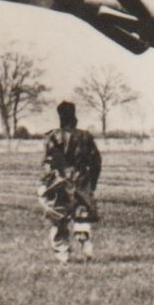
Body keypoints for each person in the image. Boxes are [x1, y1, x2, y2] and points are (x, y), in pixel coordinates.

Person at [39, 100, 102, 263]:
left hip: (58, 182)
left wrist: (45, 185)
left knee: (59, 219)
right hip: (81, 181)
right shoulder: (85, 136)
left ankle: (62, 256)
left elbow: (47, 163)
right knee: (82, 218)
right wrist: (92, 183)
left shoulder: (52, 136)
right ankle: (86, 248)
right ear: (74, 116)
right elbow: (96, 162)